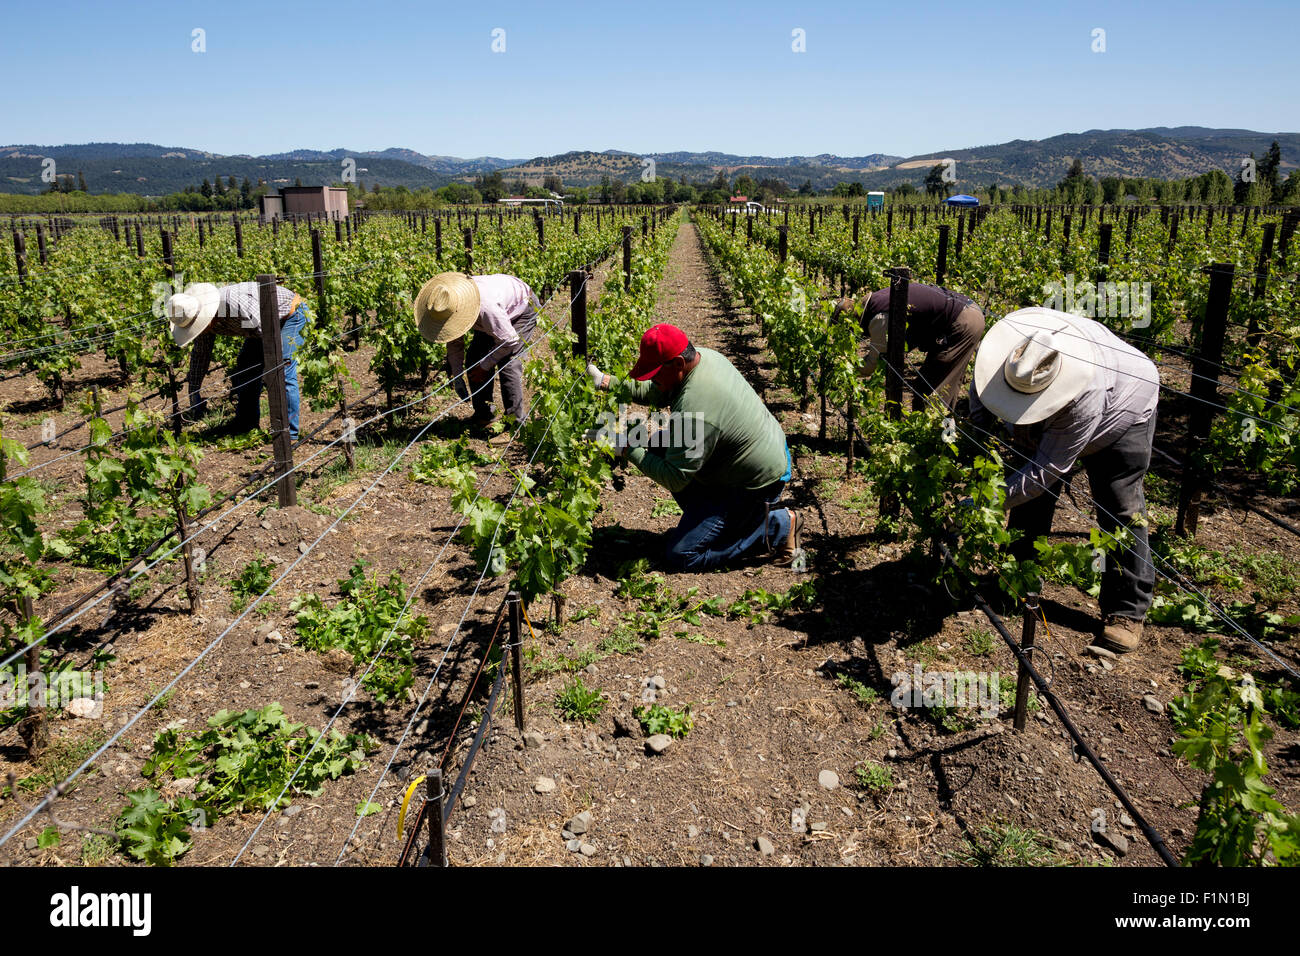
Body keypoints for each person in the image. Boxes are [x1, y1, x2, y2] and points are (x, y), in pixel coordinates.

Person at [969, 307, 1159, 653]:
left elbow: (1045, 472)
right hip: (1070, 402)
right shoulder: (1009, 354)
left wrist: (985, 503)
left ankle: (1127, 611)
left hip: (1128, 403)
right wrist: (976, 442)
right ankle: (1019, 577)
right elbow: (980, 397)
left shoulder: (1083, 396)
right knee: (1027, 486)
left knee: (1119, 504)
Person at [585, 323, 802, 571]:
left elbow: (675, 477)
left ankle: (780, 526)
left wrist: (626, 448)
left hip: (756, 484)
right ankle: (711, 519)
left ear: (678, 363)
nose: (653, 379)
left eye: (655, 373)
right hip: (750, 458)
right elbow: (656, 390)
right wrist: (606, 382)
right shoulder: (704, 358)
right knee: (659, 444)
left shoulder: (695, 411)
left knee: (682, 554)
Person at [166, 280, 310, 440]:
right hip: (259, 328)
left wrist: (267, 374)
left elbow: (268, 334)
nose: (199, 329)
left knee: (280, 370)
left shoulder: (236, 304)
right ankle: (245, 424)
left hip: (289, 316)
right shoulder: (201, 321)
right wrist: (194, 392)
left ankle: (287, 435)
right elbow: (201, 355)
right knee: (245, 367)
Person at [414, 271, 539, 441]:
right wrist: (458, 378)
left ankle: (516, 426)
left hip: (521, 309)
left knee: (508, 364)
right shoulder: (452, 304)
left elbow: (509, 341)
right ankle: (484, 416)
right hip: (494, 316)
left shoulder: (486, 308)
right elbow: (455, 343)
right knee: (474, 358)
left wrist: (485, 366)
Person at [834, 282, 984, 410]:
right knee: (924, 386)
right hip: (962, 313)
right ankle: (928, 432)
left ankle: (935, 437)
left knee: (936, 390)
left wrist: (844, 373)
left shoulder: (878, 319)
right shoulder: (880, 300)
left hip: (964, 321)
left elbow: (872, 363)